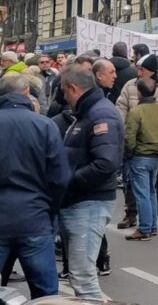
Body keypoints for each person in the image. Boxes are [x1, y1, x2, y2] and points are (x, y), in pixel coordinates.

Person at [0, 74, 70, 298]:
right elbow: (59, 177)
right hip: (35, 218)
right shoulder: (45, 126)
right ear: (27, 94)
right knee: (46, 295)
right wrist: (51, 210)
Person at [59, 65, 123, 300]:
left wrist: (68, 182)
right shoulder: (88, 112)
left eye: (64, 91)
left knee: (83, 277)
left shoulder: (99, 113)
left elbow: (105, 164)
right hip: (82, 200)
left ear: (73, 88)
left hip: (88, 202)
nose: (63, 97)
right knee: (81, 275)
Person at [116, 54, 158, 231]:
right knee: (131, 182)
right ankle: (131, 214)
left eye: (142, 69)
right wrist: (126, 135)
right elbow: (120, 109)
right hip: (135, 144)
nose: (138, 73)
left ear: (152, 71)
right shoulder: (130, 86)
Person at [124, 77, 158, 240]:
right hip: (157, 154)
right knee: (151, 191)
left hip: (140, 155)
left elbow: (130, 137)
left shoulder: (136, 111)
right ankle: (151, 225)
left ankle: (145, 228)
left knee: (142, 193)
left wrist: (129, 153)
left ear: (139, 92)